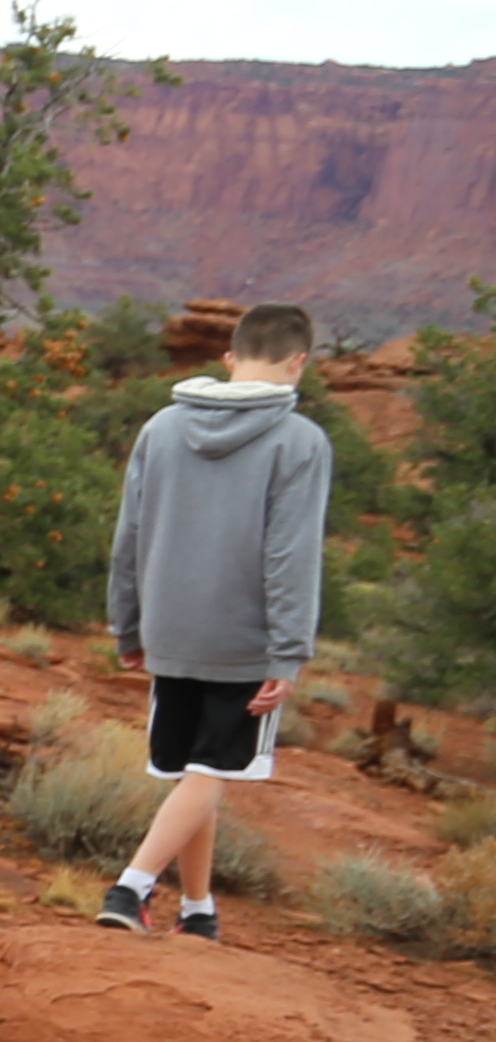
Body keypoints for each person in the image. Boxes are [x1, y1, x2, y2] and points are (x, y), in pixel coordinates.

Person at [100, 303, 333, 939]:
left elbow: (131, 535)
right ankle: (131, 887)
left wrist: (127, 626)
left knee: (195, 775)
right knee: (213, 772)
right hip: (245, 639)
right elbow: (290, 554)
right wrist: (288, 653)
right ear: (298, 361)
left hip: (169, 629)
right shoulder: (300, 442)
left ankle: (197, 911)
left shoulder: (162, 428)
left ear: (230, 358)